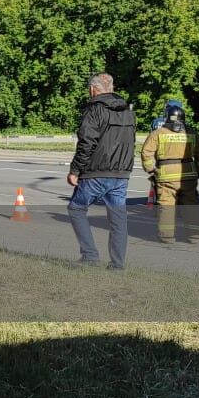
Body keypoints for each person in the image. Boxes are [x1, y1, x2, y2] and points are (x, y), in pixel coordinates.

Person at [66, 73, 136, 269]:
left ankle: (90, 256)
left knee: (76, 208)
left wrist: (75, 170)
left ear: (92, 89)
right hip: (121, 173)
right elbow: (131, 142)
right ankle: (117, 265)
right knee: (118, 219)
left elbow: (86, 142)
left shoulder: (94, 110)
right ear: (112, 87)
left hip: (96, 172)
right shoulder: (127, 111)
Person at [141, 105, 199, 244]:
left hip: (165, 176)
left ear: (167, 117)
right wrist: (198, 170)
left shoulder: (157, 134)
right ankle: (195, 236)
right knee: (191, 206)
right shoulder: (192, 133)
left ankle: (167, 236)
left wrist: (151, 170)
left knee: (166, 206)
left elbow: (146, 153)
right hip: (188, 175)